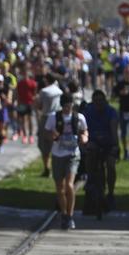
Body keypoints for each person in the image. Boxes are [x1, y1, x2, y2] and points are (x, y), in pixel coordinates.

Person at [45, 94, 89, 229]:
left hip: (72, 154)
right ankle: (64, 213)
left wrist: (84, 138)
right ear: (62, 105)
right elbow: (46, 133)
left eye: (70, 105)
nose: (68, 108)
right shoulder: (54, 117)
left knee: (69, 184)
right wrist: (53, 136)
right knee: (60, 187)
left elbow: (85, 132)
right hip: (58, 154)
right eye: (65, 106)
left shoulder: (79, 118)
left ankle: (70, 215)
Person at [81, 89, 120, 210]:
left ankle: (111, 192)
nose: (98, 104)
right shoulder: (88, 111)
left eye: (101, 101)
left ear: (105, 101)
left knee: (110, 165)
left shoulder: (111, 112)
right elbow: (83, 129)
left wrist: (115, 145)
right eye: (96, 101)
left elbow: (114, 129)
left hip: (108, 143)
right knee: (89, 157)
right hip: (93, 142)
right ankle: (90, 180)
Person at [35, 74, 63, 177]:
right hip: (57, 117)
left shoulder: (44, 91)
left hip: (46, 117)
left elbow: (39, 106)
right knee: (55, 143)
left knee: (44, 144)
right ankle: (54, 167)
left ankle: (47, 167)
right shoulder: (59, 91)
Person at [115, 68, 129, 160]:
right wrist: (121, 93)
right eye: (126, 73)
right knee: (123, 133)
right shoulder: (120, 84)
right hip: (123, 110)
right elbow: (114, 94)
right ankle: (125, 151)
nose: (128, 75)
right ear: (124, 74)